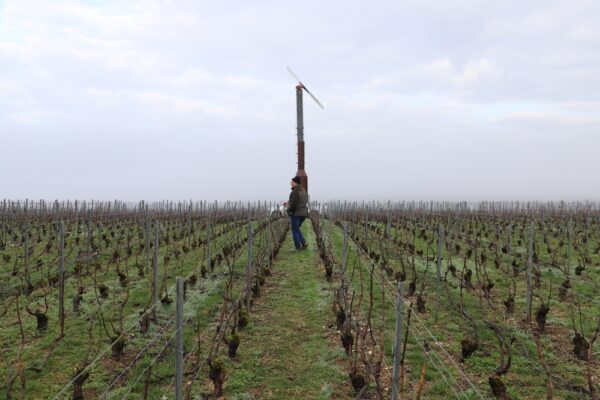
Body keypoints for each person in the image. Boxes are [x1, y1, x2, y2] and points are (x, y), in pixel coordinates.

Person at [284, 176, 308, 250]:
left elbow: (293, 204)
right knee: (296, 228)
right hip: (303, 213)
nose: (290, 183)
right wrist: (288, 202)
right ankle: (304, 243)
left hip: (296, 213)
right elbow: (300, 201)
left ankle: (298, 247)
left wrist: (288, 211)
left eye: (292, 182)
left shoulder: (295, 191)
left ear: (295, 183)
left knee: (294, 230)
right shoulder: (303, 191)